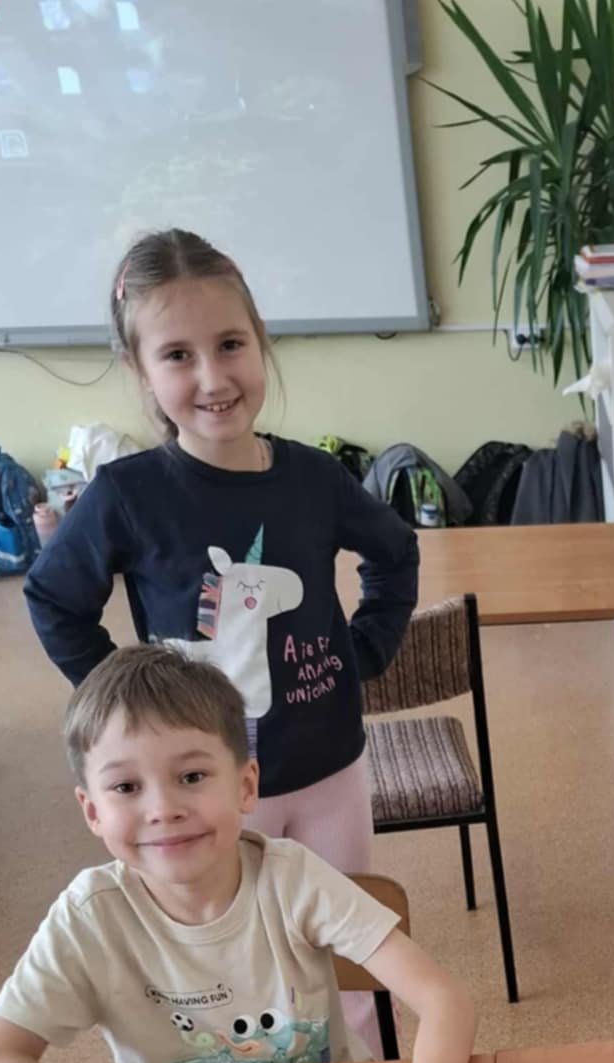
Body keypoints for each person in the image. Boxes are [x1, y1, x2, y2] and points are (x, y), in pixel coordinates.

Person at [0, 646, 476, 1063]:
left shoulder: (293, 878)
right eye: (126, 787)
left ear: (246, 786)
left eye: (191, 776)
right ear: (92, 810)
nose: (163, 809)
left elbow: (445, 999)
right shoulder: (89, 916)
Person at [24, 227, 417, 902]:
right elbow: (54, 599)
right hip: (202, 793)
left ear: (259, 339)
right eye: (178, 355)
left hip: (331, 770)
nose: (213, 377)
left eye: (230, 344)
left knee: (340, 941)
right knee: (231, 945)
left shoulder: (315, 478)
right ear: (141, 370)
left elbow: (395, 550)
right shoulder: (126, 494)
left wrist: (366, 650)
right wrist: (131, 707)